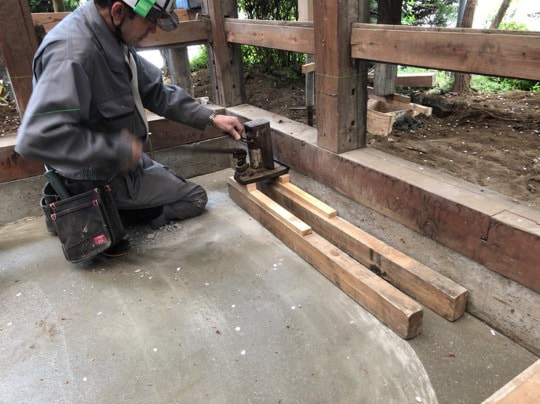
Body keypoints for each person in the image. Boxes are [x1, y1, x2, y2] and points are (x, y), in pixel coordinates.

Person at [16, 0, 245, 257]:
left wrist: (211, 117)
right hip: (92, 176)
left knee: (171, 180)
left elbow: (155, 91)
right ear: (118, 11)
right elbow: (38, 138)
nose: (153, 30)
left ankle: (97, 210)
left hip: (120, 162)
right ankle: (86, 213)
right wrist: (115, 150)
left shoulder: (112, 35)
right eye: (150, 21)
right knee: (194, 198)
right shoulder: (71, 53)